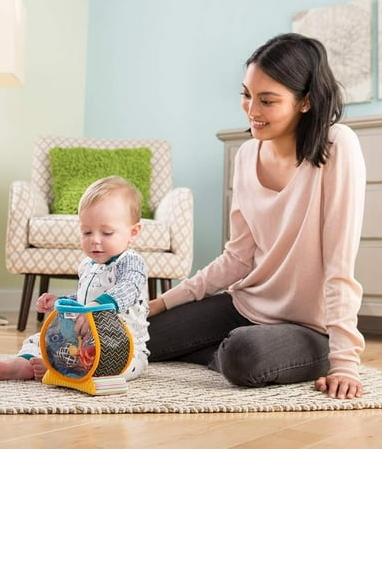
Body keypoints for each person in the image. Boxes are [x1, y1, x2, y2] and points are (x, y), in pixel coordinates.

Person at [147, 32, 367, 399]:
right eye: (247, 95)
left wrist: (345, 362)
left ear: (306, 102)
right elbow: (237, 257)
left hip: (309, 327)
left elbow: (339, 263)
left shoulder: (337, 146)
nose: (252, 111)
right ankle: (220, 351)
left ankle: (258, 353)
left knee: (244, 355)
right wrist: (164, 302)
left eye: (267, 101)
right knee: (139, 333)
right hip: (245, 305)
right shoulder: (247, 155)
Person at [0, 175, 150, 382]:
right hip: (82, 340)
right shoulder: (88, 266)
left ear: (133, 232)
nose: (95, 240)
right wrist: (61, 302)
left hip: (122, 346)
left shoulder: (131, 262)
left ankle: (59, 369)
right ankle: (25, 363)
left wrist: (93, 308)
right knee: (39, 339)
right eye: (86, 232)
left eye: (107, 233)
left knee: (111, 367)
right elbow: (85, 297)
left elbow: (127, 289)